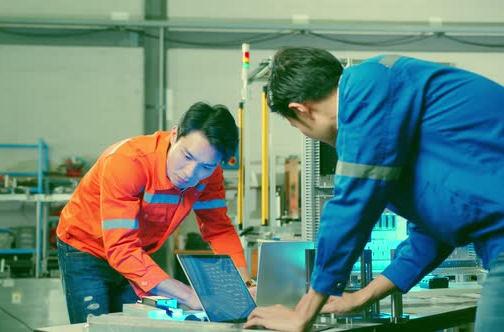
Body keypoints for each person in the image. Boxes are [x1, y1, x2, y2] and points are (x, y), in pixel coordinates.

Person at [243, 47, 504, 332]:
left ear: (300, 109)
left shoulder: (368, 85)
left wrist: (303, 313)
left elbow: (351, 205)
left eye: (297, 127)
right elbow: (432, 232)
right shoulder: (389, 121)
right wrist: (360, 298)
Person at [57, 101, 253, 323]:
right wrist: (190, 295)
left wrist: (245, 286)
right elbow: (121, 248)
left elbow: (218, 230)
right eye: (187, 157)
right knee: (96, 325)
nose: (191, 173)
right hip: (85, 247)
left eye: (206, 166)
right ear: (174, 134)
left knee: (131, 325)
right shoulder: (128, 162)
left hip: (136, 251)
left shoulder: (210, 175)